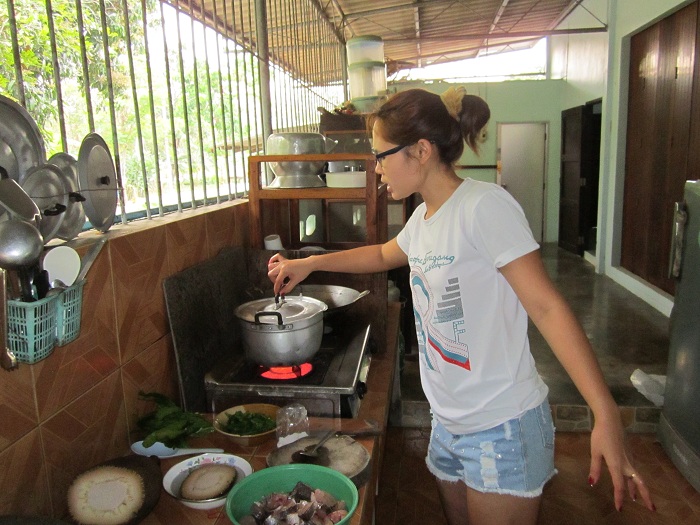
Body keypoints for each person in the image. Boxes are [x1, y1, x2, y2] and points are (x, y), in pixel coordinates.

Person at [267, 87, 655, 525]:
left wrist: (605, 413)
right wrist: (309, 263)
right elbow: (380, 255)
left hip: (501, 425)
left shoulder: (483, 206)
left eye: (381, 155)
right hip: (448, 424)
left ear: (420, 150)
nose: (376, 168)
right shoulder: (424, 218)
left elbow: (547, 308)